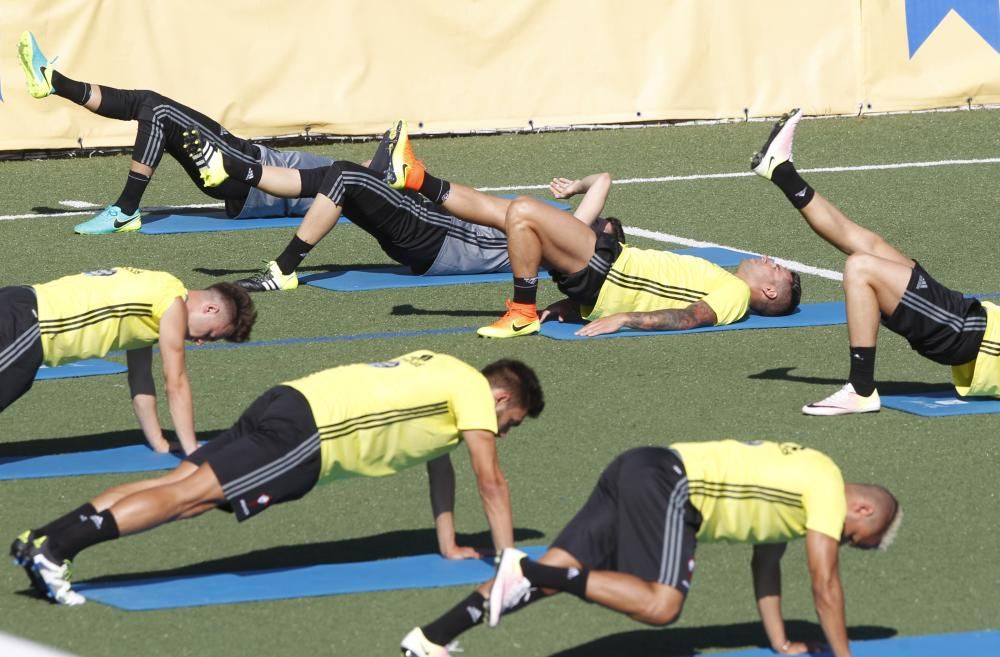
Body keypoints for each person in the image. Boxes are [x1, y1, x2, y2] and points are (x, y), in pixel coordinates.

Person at [11, 350, 544, 606]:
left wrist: (449, 544)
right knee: (184, 496)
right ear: (500, 397)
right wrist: (508, 563)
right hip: (310, 434)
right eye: (510, 423)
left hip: (288, 399)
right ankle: (57, 549)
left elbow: (439, 466)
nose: (503, 433)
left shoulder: (444, 370)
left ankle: (44, 538)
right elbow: (491, 481)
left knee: (184, 488)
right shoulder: (473, 392)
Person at [400, 440, 902, 657]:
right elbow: (825, 584)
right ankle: (527, 567)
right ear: (860, 512)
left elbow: (766, 562)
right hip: (669, 484)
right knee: (662, 604)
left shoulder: (799, 494)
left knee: (552, 573)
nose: (841, 545)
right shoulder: (823, 485)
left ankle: (430, 637)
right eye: (855, 540)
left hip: (641, 467)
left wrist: (781, 642)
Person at [384, 125, 801, 338]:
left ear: (768, 292)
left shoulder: (735, 298)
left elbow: (690, 318)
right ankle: (417, 177)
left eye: (776, 269)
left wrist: (626, 319)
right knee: (510, 214)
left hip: (606, 267)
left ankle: (521, 313)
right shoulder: (725, 281)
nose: (768, 260)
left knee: (523, 211)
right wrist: (563, 310)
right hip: (601, 273)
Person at [751, 108, 1000, 415]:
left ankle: (861, 389)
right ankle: (780, 172)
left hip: (972, 336)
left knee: (861, 267)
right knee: (870, 246)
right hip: (976, 322)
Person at [185, 121, 624, 292]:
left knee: (346, 177)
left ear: (599, 241)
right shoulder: (561, 226)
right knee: (340, 174)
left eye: (604, 227)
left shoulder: (574, 243)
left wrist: (579, 195)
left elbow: (603, 182)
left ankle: (282, 270)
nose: (600, 221)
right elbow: (601, 180)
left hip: (441, 240)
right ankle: (239, 175)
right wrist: (572, 189)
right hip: (436, 231)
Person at [16, 31, 333, 234]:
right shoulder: (360, 179)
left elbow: (354, 190)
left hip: (250, 173)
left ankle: (126, 209)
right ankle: (55, 83)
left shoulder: (357, 185)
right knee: (147, 103)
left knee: (158, 109)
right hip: (247, 164)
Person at [0, 267, 256, 454]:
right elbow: (175, 383)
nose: (200, 342)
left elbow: (141, 378)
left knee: (16, 383)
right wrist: (193, 451)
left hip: (19, 306)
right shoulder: (171, 306)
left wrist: (158, 441)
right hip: (26, 326)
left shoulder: (160, 292)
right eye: (211, 335)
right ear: (210, 309)